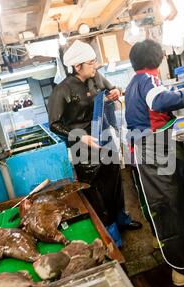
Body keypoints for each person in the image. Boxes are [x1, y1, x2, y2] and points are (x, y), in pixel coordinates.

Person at [124, 39, 184, 286]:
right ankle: (183, 267)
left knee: (161, 204)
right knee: (169, 204)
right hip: (152, 150)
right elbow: (159, 101)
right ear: (158, 59)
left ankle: (169, 247)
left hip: (144, 149)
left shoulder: (133, 83)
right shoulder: (149, 80)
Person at [47, 40, 142, 245]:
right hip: (83, 145)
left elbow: (110, 90)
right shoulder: (62, 90)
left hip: (104, 136)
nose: (95, 66)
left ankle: (122, 219)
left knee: (115, 181)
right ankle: (110, 233)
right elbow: (54, 124)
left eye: (95, 61)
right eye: (91, 63)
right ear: (77, 66)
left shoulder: (96, 77)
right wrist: (79, 136)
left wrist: (114, 92)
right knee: (96, 191)